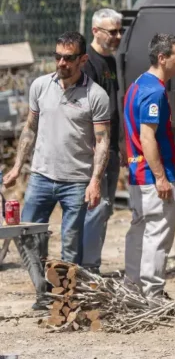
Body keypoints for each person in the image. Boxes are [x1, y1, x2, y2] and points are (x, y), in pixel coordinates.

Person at [2, 31, 111, 308]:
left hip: (76, 180)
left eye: (69, 58)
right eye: (58, 57)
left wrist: (95, 180)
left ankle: (65, 299)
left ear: (83, 59)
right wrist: (17, 168)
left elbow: (102, 142)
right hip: (40, 176)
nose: (62, 63)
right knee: (26, 236)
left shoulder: (95, 95)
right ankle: (43, 293)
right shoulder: (40, 86)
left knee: (70, 245)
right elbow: (30, 129)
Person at [123, 33, 175, 302]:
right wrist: (161, 177)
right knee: (157, 234)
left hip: (137, 175)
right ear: (162, 58)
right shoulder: (155, 91)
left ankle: (132, 288)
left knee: (140, 230)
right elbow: (147, 137)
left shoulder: (137, 84)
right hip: (152, 176)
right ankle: (153, 294)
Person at [81, 8, 125, 274]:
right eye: (113, 31)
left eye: (120, 30)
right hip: (94, 150)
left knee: (104, 209)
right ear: (96, 31)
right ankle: (86, 268)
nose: (118, 36)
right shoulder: (88, 62)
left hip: (110, 148)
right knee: (96, 208)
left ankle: (91, 265)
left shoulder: (110, 61)